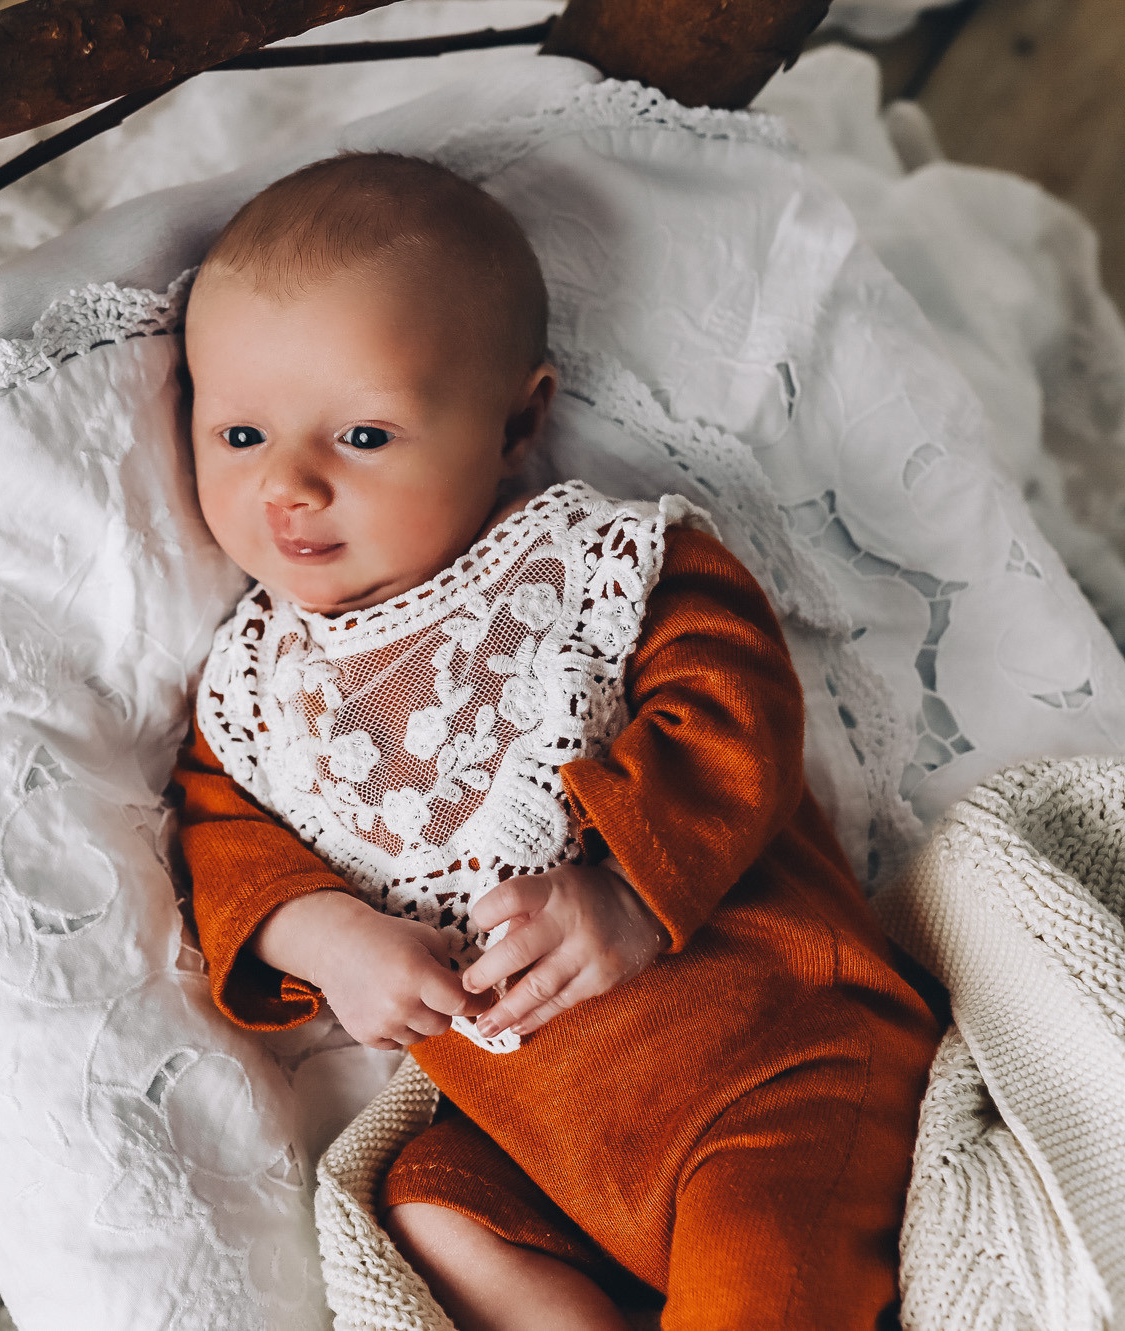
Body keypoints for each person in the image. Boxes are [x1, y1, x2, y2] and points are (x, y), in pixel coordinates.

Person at [173, 151, 941, 1330]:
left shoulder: (594, 571)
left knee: (759, 1273)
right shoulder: (257, 691)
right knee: (425, 1202)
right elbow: (222, 839)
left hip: (768, 1063)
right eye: (236, 433)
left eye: (363, 436)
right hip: (537, 1148)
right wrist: (329, 937)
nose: (287, 486)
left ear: (516, 420)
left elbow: (734, 702)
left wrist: (625, 887)